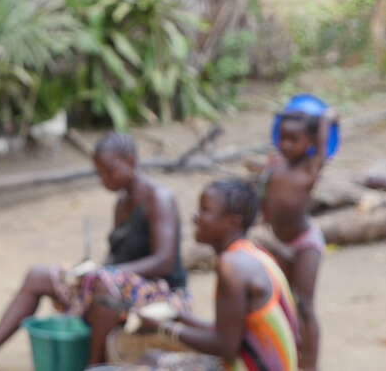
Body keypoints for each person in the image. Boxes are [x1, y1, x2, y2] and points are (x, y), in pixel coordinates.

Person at [0, 132, 188, 369]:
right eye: (100, 173)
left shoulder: (159, 199)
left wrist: (108, 273)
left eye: (109, 170)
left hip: (161, 290)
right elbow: (115, 255)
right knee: (39, 276)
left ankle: (93, 366)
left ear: (130, 161)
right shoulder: (122, 203)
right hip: (123, 282)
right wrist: (93, 271)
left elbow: (164, 261)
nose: (104, 179)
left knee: (104, 285)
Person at [139, 178, 298, 371]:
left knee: (150, 362)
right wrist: (178, 316)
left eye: (205, 210)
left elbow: (225, 346)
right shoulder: (255, 254)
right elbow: (229, 331)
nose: (196, 216)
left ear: (233, 222)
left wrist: (162, 328)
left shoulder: (231, 266)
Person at [256, 108, 336, 371]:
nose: (286, 144)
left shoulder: (311, 166)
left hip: (305, 243)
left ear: (310, 143)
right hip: (276, 242)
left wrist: (326, 118)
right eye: (282, 137)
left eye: (294, 139)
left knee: (304, 305)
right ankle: (285, 357)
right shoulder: (273, 167)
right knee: (282, 303)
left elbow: (324, 142)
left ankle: (310, 365)